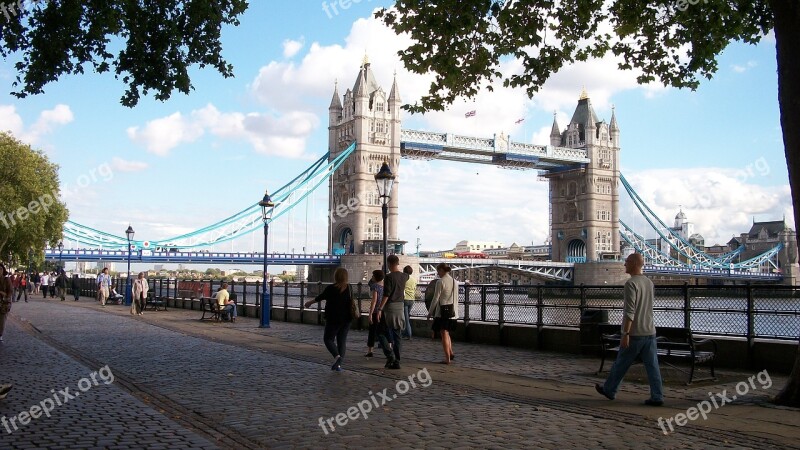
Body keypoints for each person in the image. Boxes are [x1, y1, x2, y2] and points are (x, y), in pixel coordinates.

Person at [595, 252, 664, 406]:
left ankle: (610, 390)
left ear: (633, 263)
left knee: (621, 363)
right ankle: (657, 396)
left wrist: (625, 333)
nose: (624, 264)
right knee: (653, 366)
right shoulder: (649, 283)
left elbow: (629, 311)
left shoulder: (631, 284)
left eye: (626, 261)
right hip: (650, 331)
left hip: (635, 333)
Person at [304, 267, 353, 372]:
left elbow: (320, 297)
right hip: (347, 318)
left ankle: (337, 358)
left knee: (328, 339)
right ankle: (339, 365)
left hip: (333, 318)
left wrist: (309, 303)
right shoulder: (350, 288)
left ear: (336, 276)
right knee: (342, 341)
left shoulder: (331, 288)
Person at [376, 255, 409, 370]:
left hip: (389, 308)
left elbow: (387, 294)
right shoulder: (405, 276)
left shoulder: (388, 277)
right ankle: (397, 361)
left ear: (389, 264)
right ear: (398, 263)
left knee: (380, 332)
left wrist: (380, 309)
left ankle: (390, 355)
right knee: (397, 335)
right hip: (400, 307)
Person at [427, 263, 458, 364]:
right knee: (447, 332)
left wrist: (430, 312)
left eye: (438, 271)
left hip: (442, 312)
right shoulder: (455, 281)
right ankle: (451, 352)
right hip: (453, 312)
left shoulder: (440, 282)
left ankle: (447, 358)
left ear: (441, 270)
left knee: (443, 333)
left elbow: (435, 298)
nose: (437, 273)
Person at [365, 270, 384, 358]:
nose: (371, 277)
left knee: (372, 331)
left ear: (375, 277)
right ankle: (389, 348)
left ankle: (370, 351)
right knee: (384, 331)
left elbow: (374, 301)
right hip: (383, 310)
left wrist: (370, 314)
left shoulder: (375, 287)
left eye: (373, 276)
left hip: (376, 311)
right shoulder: (384, 286)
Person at [401, 265, 417, 340]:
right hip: (412, 300)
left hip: (405, 299)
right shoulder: (414, 279)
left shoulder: (404, 279)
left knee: (406, 318)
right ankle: (404, 333)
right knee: (406, 317)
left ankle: (409, 334)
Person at [0, 264, 12, 342]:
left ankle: (0, 335)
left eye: (1, 269)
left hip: (3, 303)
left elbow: (10, 291)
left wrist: (5, 296)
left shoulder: (6, 280)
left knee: (1, 320)